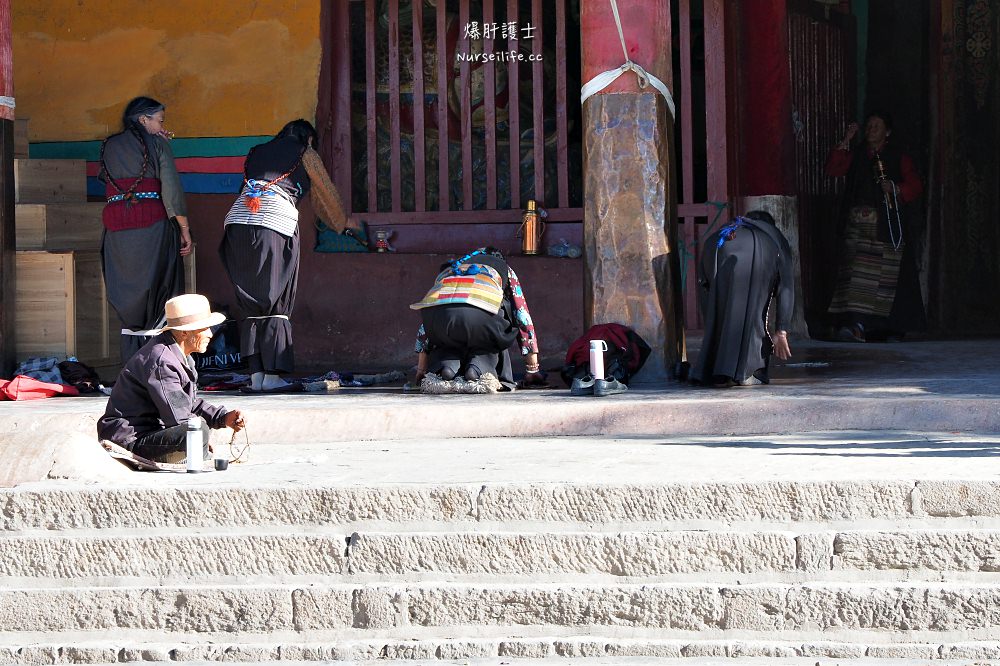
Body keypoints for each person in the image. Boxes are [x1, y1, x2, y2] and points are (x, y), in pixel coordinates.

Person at [219, 120, 320, 394]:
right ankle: (273, 376)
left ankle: (256, 377)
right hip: (274, 225)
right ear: (308, 139)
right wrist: (343, 221)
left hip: (238, 223)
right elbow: (325, 193)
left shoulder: (256, 151)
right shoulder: (305, 152)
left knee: (251, 301)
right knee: (277, 297)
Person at [98, 294, 245, 463]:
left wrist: (222, 417)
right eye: (204, 329)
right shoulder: (163, 361)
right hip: (129, 440)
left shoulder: (179, 355)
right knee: (197, 430)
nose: (210, 334)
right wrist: (201, 435)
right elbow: (179, 417)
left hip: (148, 432)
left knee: (197, 430)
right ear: (184, 333)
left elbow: (187, 402)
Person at [99, 96, 191, 362]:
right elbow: (170, 191)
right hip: (153, 227)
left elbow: (107, 179)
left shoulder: (109, 145)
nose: (163, 126)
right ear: (143, 119)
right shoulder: (157, 144)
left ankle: (131, 366)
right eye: (160, 120)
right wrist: (184, 229)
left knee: (127, 291)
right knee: (158, 288)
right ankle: (154, 363)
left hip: (116, 229)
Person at [825, 111, 925, 342]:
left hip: (886, 229)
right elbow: (834, 169)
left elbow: (915, 185)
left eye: (876, 127)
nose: (871, 130)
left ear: (887, 132)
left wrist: (895, 188)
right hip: (857, 228)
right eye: (868, 126)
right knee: (855, 277)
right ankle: (853, 324)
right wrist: (846, 140)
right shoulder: (859, 154)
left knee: (886, 278)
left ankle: (887, 327)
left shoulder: (898, 157)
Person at [410, 247, 545, 390]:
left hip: (438, 321)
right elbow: (522, 316)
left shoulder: (450, 269)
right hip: (482, 321)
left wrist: (421, 369)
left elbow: (427, 324)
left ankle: (446, 368)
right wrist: (532, 369)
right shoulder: (504, 269)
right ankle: (479, 368)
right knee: (495, 323)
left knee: (446, 331)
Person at [691, 210, 794, 387]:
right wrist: (781, 330)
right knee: (753, 311)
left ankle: (718, 372)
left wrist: (711, 323)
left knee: (721, 310)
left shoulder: (726, 229)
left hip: (714, 245)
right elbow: (786, 286)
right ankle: (746, 373)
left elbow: (704, 288)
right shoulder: (772, 234)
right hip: (755, 249)